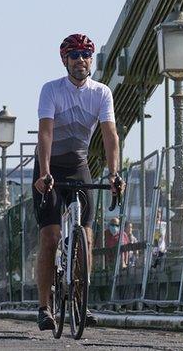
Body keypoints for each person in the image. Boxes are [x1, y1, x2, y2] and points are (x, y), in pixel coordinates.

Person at [33, 34, 125, 331]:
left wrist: (114, 174)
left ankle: (81, 303)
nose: (81, 60)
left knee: (85, 237)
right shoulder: (51, 90)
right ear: (65, 60)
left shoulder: (101, 93)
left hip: (78, 164)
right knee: (50, 237)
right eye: (75, 55)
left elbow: (110, 135)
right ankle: (44, 308)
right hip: (50, 166)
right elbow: (45, 133)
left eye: (87, 54)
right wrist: (44, 173)